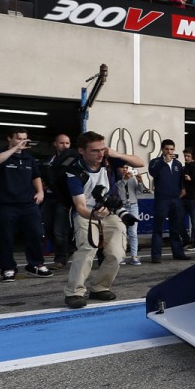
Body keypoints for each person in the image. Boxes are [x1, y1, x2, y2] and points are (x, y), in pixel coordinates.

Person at [62, 131, 145, 308]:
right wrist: (94, 216)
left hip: (111, 211)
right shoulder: (74, 170)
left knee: (117, 253)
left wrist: (115, 154)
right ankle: (74, 292)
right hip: (87, 213)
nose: (100, 154)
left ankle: (100, 287)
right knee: (87, 249)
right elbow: (80, 206)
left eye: (102, 149)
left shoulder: (108, 160)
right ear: (81, 151)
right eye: (94, 151)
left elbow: (140, 162)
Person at [0, 128, 52, 281]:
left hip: (28, 204)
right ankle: (8, 268)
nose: (22, 142)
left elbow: (35, 175)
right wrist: (15, 149)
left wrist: (40, 191)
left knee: (36, 234)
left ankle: (35, 264)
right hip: (5, 204)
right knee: (6, 238)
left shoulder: (29, 158)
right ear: (9, 138)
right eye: (18, 138)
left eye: (25, 138)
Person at [148, 139, 188, 263]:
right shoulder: (155, 162)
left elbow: (181, 179)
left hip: (176, 199)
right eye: (167, 149)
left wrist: (183, 188)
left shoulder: (177, 164)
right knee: (158, 228)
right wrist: (163, 162)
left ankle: (178, 253)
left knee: (175, 228)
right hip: (162, 199)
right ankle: (156, 256)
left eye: (171, 149)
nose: (169, 151)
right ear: (162, 149)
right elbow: (153, 173)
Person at [42, 134, 75, 270]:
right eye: (62, 143)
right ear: (55, 143)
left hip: (63, 198)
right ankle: (68, 248)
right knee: (47, 227)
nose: (65, 146)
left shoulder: (72, 159)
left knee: (59, 230)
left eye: (67, 143)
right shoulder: (49, 160)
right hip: (48, 198)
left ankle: (60, 258)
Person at [115, 165, 144, 265]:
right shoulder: (116, 178)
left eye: (126, 167)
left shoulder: (132, 178)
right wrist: (125, 180)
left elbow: (139, 191)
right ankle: (121, 256)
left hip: (133, 205)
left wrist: (140, 181)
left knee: (133, 232)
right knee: (121, 232)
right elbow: (119, 190)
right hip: (121, 206)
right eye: (122, 167)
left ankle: (134, 256)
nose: (125, 169)